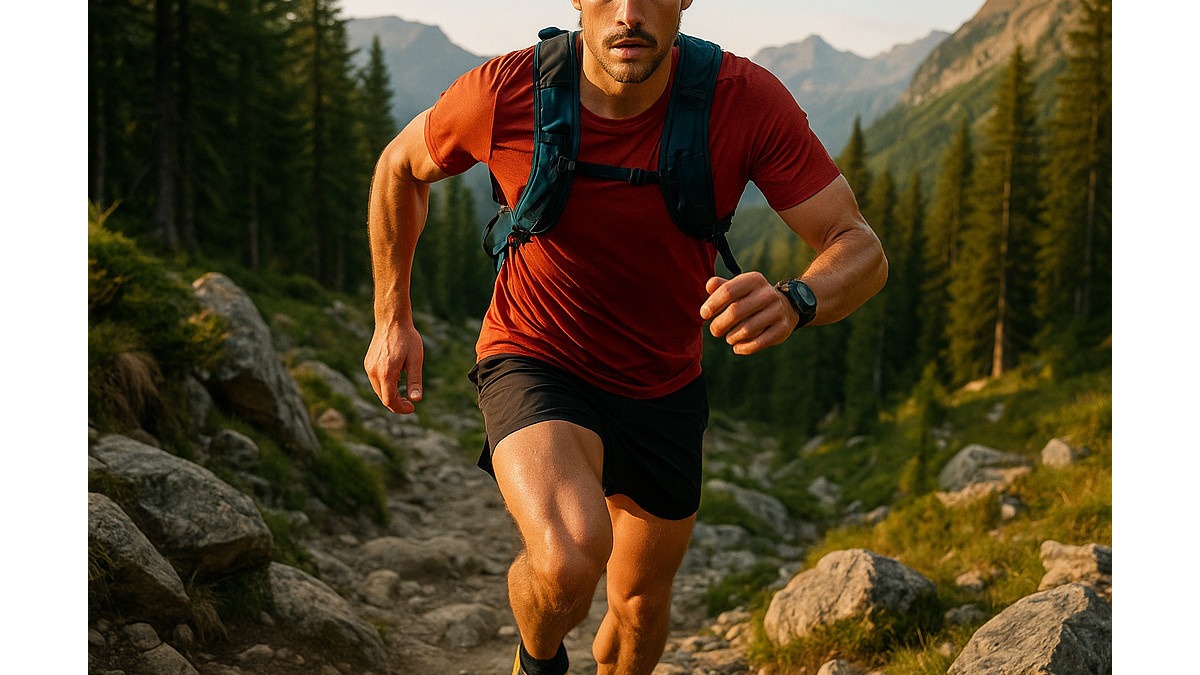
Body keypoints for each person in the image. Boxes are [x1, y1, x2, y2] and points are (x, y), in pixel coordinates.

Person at [364, 1, 887, 673]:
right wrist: (392, 318)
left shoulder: (743, 100)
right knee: (567, 556)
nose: (630, 13)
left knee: (638, 605)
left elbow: (859, 247)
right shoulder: (507, 92)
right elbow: (399, 168)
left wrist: (796, 300)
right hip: (535, 354)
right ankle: (537, 661)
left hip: (663, 383)